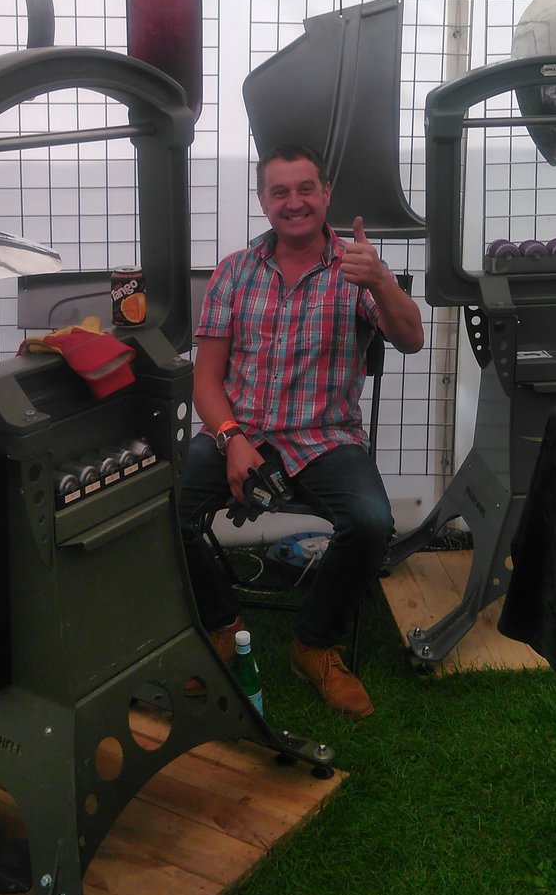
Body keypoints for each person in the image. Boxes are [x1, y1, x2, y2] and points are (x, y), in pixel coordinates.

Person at [178, 142, 424, 719]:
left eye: (305, 188)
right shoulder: (234, 271)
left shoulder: (356, 268)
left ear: (326, 194)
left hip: (325, 438)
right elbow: (205, 379)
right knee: (161, 509)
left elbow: (412, 339)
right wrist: (231, 439)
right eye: (280, 192)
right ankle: (221, 624)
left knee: (371, 523)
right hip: (239, 433)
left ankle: (314, 644)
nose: (294, 202)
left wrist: (382, 281)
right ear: (263, 201)